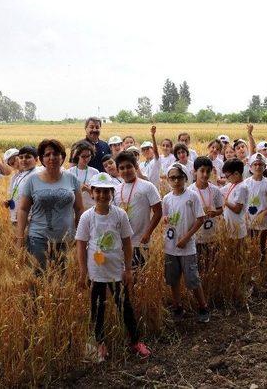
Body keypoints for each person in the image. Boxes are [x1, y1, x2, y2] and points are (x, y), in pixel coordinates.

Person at [75, 172, 151, 361]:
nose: (102, 195)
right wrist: (83, 271)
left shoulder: (120, 214)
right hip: (96, 272)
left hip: (117, 271)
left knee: (125, 306)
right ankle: (100, 343)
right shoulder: (86, 217)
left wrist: (128, 269)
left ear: (112, 193)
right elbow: (81, 245)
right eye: (98, 191)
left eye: (106, 192)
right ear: (92, 193)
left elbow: (127, 243)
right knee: (97, 308)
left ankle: (135, 341)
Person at [17, 139, 84, 272]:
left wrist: (81, 235)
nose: (51, 158)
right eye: (47, 155)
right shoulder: (32, 180)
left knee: (63, 279)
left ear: (62, 157)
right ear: (41, 159)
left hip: (66, 238)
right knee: (39, 278)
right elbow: (23, 209)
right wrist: (20, 237)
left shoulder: (72, 179)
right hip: (38, 239)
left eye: (55, 154)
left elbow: (79, 208)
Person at [162, 163, 210, 323]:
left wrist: (186, 238)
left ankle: (203, 306)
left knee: (192, 279)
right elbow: (165, 217)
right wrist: (166, 219)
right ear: (168, 180)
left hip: (187, 247)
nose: (176, 181)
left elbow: (200, 218)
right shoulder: (167, 198)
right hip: (171, 246)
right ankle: (177, 307)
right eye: (172, 178)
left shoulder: (192, 196)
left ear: (185, 178)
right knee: (173, 279)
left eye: (179, 177)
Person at [114, 151, 162, 268]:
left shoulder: (147, 186)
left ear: (136, 167)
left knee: (139, 276)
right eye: (122, 168)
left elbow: (158, 211)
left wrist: (148, 233)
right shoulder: (116, 189)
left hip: (140, 242)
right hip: (120, 242)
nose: (126, 171)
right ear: (118, 170)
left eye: (129, 166)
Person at [188, 157, 224, 272]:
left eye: (208, 171)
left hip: (211, 233)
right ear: (195, 171)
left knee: (211, 263)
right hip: (196, 235)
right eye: (202, 170)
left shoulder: (215, 190)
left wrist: (215, 213)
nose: (205, 174)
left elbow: (220, 209)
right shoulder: (189, 191)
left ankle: (210, 286)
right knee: (197, 264)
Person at [244, 153, 267, 264]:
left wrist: (264, 213)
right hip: (248, 218)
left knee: (261, 244)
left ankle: (262, 263)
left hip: (263, 220)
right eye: (255, 164)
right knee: (250, 242)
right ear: (250, 167)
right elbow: (242, 200)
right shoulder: (246, 183)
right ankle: (251, 262)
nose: (258, 167)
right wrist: (244, 214)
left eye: (260, 164)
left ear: (264, 167)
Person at [6, 146, 38, 225]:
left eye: (16, 159)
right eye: (12, 163)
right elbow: (13, 194)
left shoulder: (37, 172)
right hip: (16, 217)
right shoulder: (15, 177)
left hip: (30, 217)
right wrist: (9, 201)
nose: (16, 163)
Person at [220, 158, 249, 244]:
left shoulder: (242, 188)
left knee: (237, 250)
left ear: (236, 173)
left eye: (227, 176)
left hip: (238, 226)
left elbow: (237, 209)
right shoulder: (232, 184)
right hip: (231, 224)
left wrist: (225, 202)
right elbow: (219, 191)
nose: (226, 178)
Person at [67, 141, 100, 209]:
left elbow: (99, 194)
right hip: (74, 208)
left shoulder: (95, 172)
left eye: (88, 156)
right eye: (83, 156)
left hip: (91, 207)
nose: (86, 159)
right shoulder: (69, 172)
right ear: (77, 156)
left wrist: (87, 189)